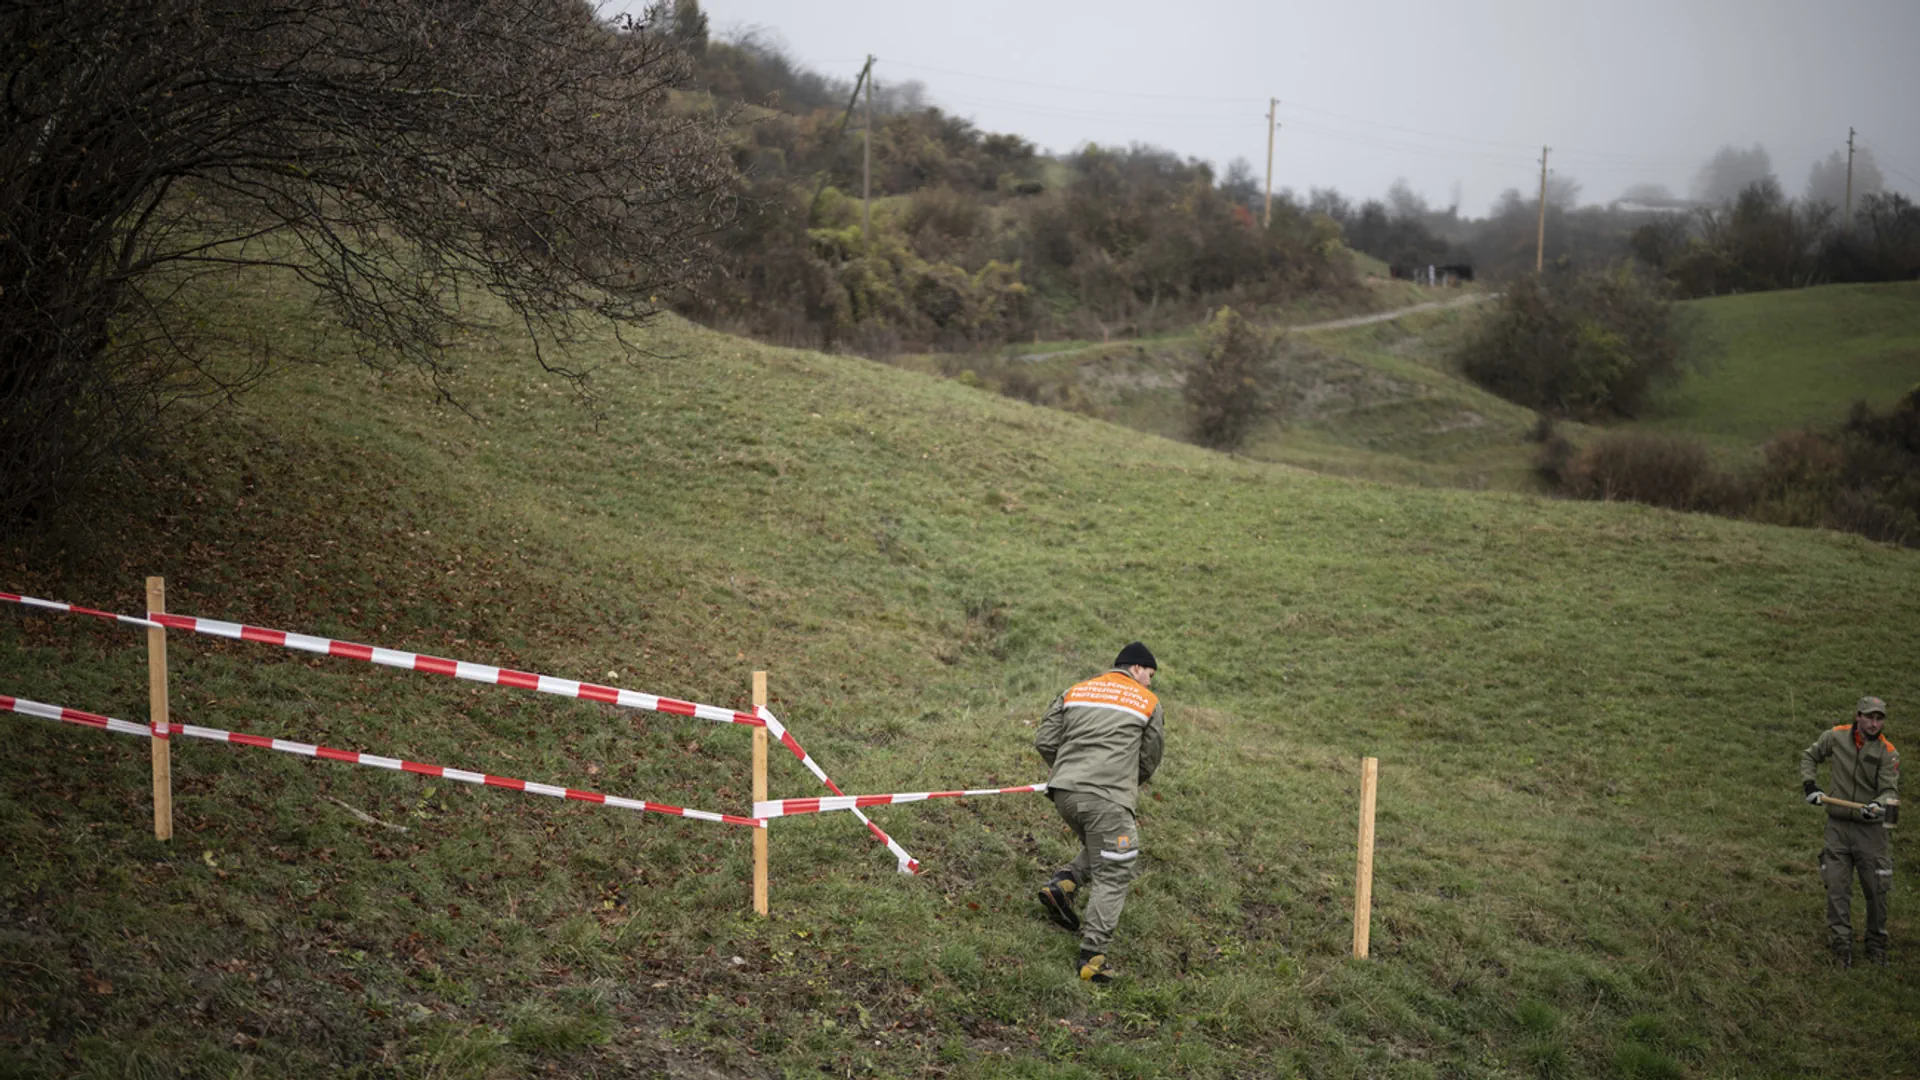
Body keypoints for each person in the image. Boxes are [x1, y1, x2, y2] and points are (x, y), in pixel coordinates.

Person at [1033, 642, 1165, 983]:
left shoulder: (1075, 690)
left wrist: (1067, 772)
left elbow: (1045, 740)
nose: (1149, 683)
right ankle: (1092, 958)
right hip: (1107, 799)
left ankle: (1064, 884)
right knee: (1116, 870)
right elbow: (1149, 758)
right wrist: (1121, 784)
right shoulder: (1146, 702)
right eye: (1150, 675)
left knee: (1103, 847)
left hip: (1064, 794)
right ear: (1137, 668)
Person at [1801, 695, 1901, 968]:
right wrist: (1810, 786)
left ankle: (1876, 943)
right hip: (1837, 827)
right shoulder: (1836, 736)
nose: (1874, 723)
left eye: (1879, 718)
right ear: (1858, 716)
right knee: (1836, 887)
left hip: (1871, 832)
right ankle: (1840, 944)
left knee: (1876, 891)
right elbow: (1810, 756)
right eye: (1869, 717)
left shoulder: (1887, 752)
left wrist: (1876, 805)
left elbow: (1890, 791)